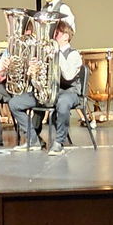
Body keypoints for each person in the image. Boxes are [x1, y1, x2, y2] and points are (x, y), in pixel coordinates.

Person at [8, 21, 82, 154]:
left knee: (63, 104)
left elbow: (68, 76)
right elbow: (40, 79)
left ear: (66, 36)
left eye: (56, 33)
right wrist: (33, 71)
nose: (52, 36)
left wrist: (56, 53)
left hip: (68, 91)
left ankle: (59, 142)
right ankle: (33, 139)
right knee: (15, 103)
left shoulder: (73, 54)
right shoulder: (46, 53)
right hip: (48, 92)